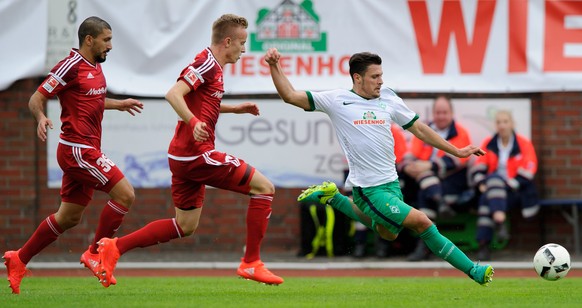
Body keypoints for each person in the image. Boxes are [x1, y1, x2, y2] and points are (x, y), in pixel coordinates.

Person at [265, 48, 494, 285]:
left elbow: (419, 129)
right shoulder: (336, 100)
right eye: (374, 76)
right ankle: (474, 270)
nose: (380, 80)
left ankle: (335, 198)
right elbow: (290, 95)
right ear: (357, 78)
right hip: (368, 189)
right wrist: (274, 66)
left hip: (392, 184)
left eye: (381, 75)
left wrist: (456, 151)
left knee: (389, 232)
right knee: (422, 222)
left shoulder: (388, 97)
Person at [95, 14, 283, 286]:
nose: (244, 49)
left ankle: (115, 247)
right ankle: (251, 263)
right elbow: (173, 94)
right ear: (227, 41)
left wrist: (233, 108)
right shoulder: (206, 63)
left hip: (182, 156)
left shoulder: (215, 67)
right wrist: (193, 122)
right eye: (241, 43)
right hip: (196, 154)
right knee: (264, 188)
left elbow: (201, 101)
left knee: (185, 225)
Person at [2, 16, 144, 294]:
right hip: (77, 150)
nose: (110, 46)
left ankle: (19, 258)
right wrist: (41, 117)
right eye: (106, 40)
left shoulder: (95, 67)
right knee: (126, 194)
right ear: (89, 40)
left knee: (68, 217)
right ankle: (94, 253)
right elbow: (36, 97)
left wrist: (118, 104)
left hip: (85, 149)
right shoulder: (70, 65)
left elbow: (91, 98)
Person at [402, 95, 475, 261]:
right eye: (438, 112)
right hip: (425, 180)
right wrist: (410, 166)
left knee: (424, 192)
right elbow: (411, 154)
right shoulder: (424, 129)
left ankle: (425, 245)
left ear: (451, 113)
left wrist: (429, 166)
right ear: (433, 113)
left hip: (452, 182)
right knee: (420, 181)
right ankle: (439, 202)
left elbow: (458, 161)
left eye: (444, 112)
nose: (441, 116)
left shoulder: (460, 132)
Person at [469, 110, 539, 260]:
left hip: (515, 191)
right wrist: (481, 183)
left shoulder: (523, 143)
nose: (502, 125)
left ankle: (483, 245)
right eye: (499, 122)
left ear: (512, 124)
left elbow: (529, 171)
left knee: (487, 195)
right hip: (494, 190)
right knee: (492, 183)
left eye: (505, 122)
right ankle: (499, 219)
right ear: (495, 125)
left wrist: (507, 184)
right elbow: (478, 168)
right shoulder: (489, 143)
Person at [352, 125, 407, 258]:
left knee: (385, 207)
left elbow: (400, 156)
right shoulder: (359, 128)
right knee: (358, 205)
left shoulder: (393, 131)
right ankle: (360, 242)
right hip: (365, 178)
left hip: (385, 179)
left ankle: (383, 245)